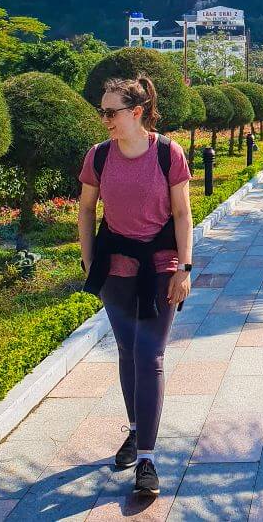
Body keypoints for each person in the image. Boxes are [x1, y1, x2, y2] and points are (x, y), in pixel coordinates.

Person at [77, 75, 193, 497]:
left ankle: (146, 456)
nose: (105, 119)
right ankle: (134, 429)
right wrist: (90, 261)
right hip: (115, 271)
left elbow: (182, 214)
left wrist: (185, 267)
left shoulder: (167, 153)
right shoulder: (99, 156)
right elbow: (87, 209)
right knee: (127, 351)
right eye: (102, 112)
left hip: (160, 266)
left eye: (112, 112)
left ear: (137, 112)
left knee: (150, 353)